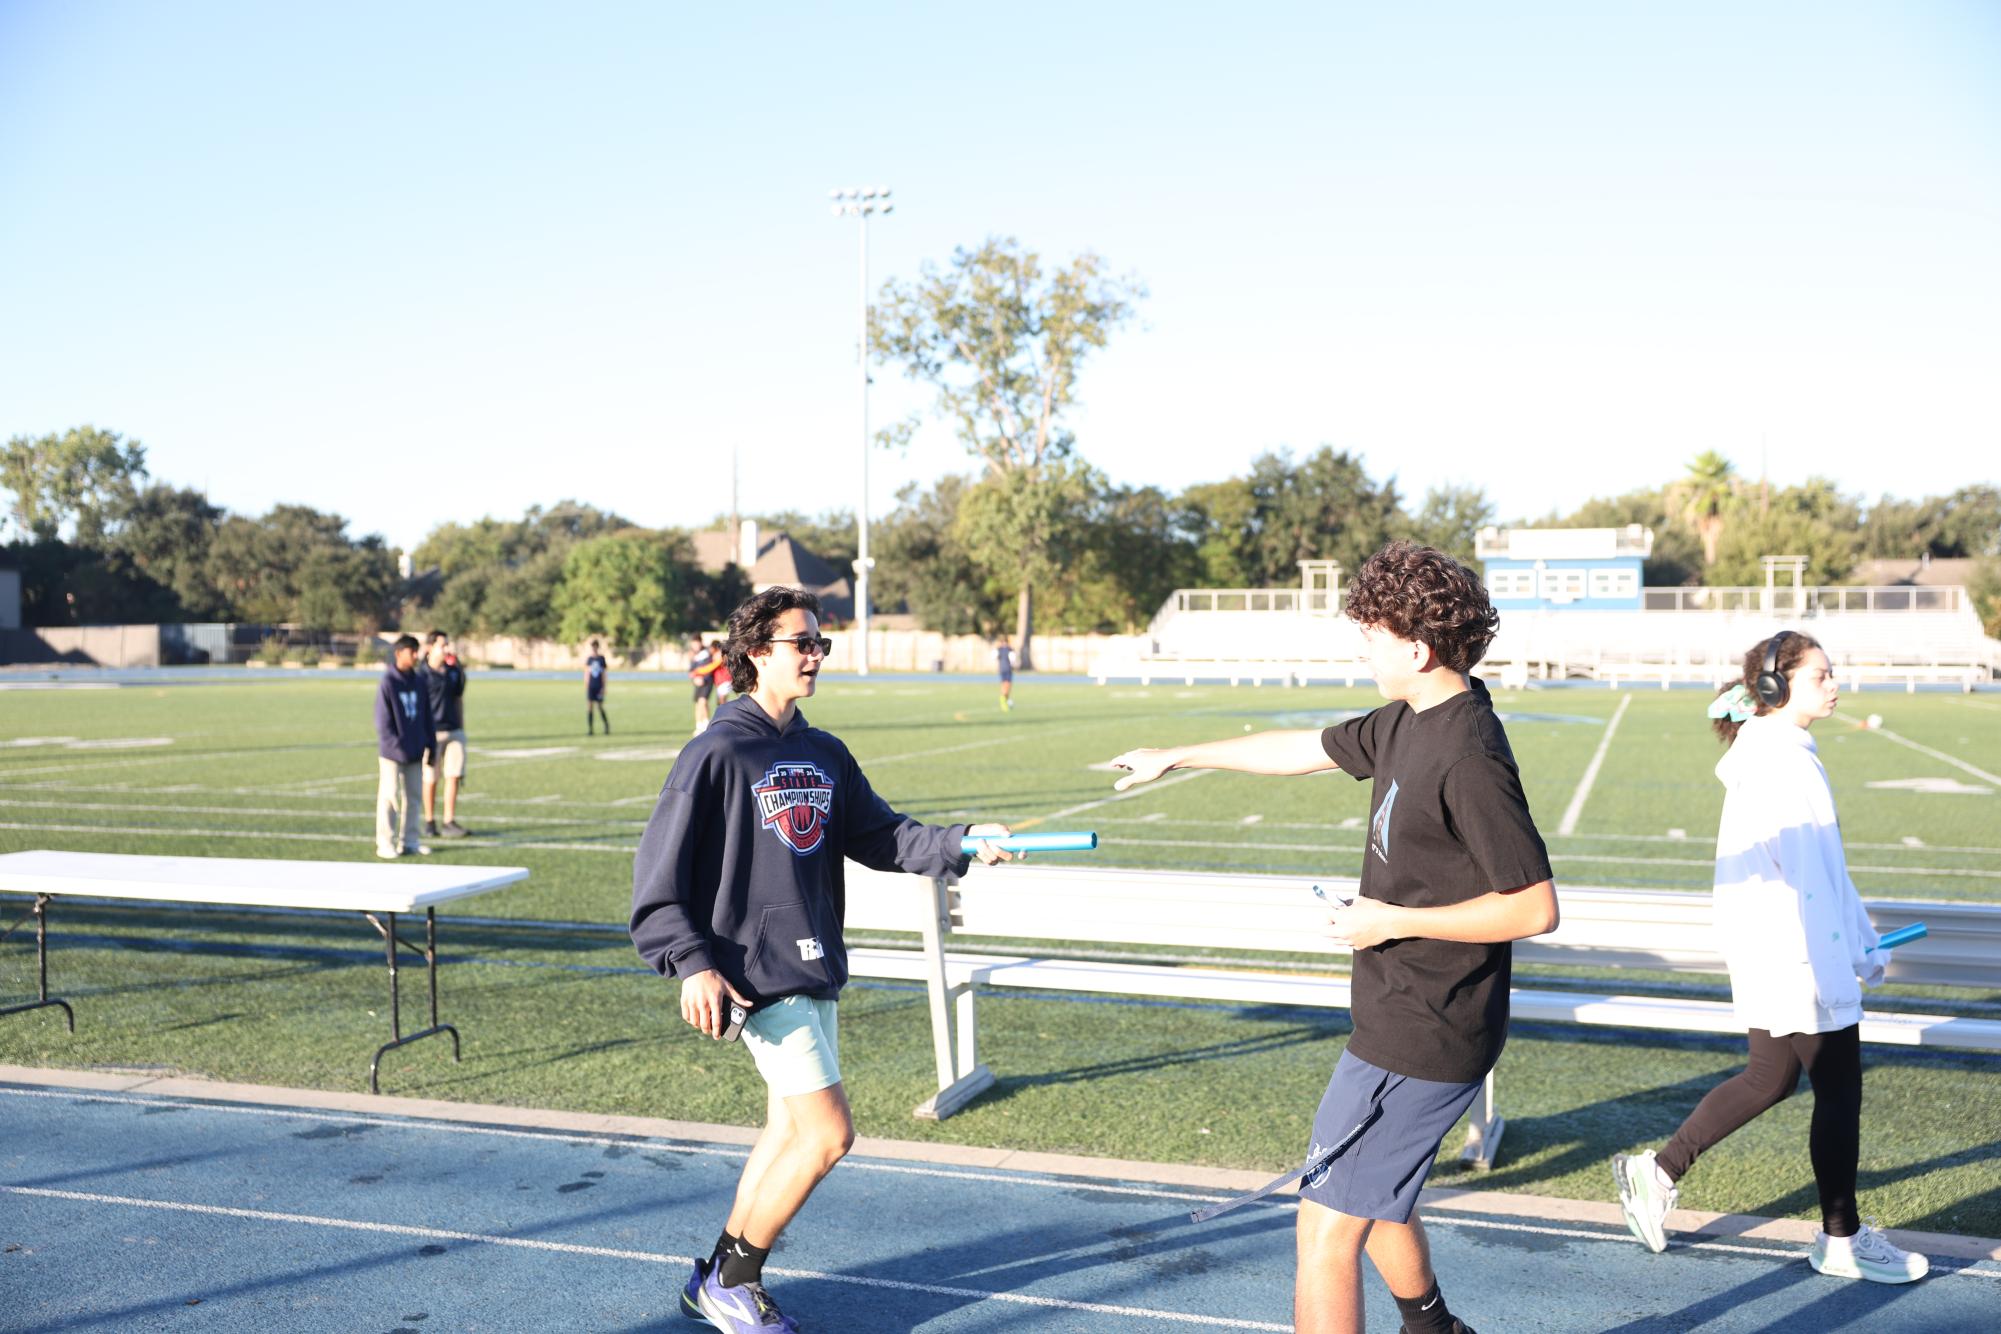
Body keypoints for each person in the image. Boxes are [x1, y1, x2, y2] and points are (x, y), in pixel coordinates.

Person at [1111, 541, 1557, 1334]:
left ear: (1415, 649)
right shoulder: (1404, 722)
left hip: (1429, 1028)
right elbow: (1299, 749)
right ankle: (1433, 1327)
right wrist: (1177, 756)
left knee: (1322, 1230)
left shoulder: (1467, 755)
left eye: (1371, 638)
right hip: (1392, 1010)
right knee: (1375, 1194)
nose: (1363, 652)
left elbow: (1532, 907)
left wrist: (1394, 920)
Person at [630, 586, 1013, 1334]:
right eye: (799, 643)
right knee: (828, 1135)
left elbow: (882, 837)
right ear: (752, 655)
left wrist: (961, 841)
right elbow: (657, 879)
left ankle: (714, 1277)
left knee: (786, 1132)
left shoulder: (823, 751)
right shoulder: (715, 750)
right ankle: (736, 1280)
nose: (813, 657)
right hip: (753, 971)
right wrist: (690, 963)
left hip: (813, 963)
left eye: (818, 644)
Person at [1614, 631, 1928, 1284]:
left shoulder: (1776, 752)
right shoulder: (1782, 761)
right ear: (1771, 687)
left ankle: (1657, 1171)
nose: (1834, 684)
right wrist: (1847, 961)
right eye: (1821, 675)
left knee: (1770, 1078)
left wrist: (1860, 940)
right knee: (1838, 1093)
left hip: (1781, 952)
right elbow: (1811, 885)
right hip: (1795, 958)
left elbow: (1822, 875)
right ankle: (1839, 1241)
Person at [373, 634, 434, 859]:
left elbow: (427, 717)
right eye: (412, 652)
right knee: (390, 796)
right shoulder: (388, 682)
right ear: (399, 653)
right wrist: (398, 747)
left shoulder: (419, 681)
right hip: (393, 753)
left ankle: (410, 841)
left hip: (416, 751)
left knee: (414, 797)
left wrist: (431, 745)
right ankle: (385, 842)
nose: (416, 656)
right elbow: (382, 722)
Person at [419, 630, 471, 839]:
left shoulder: (453, 671)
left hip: (454, 730)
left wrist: (462, 727)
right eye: (443, 645)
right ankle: (429, 821)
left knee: (453, 775)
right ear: (430, 647)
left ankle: (449, 820)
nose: (448, 649)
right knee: (431, 777)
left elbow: (459, 698)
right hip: (432, 733)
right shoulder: (421, 674)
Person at [689, 635, 719, 734]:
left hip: (707, 681)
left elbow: (710, 667)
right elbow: (691, 670)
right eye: (693, 643)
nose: (695, 645)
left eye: (697, 643)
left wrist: (703, 677)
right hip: (698, 682)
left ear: (701, 642)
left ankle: (706, 725)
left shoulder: (707, 652)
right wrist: (695, 678)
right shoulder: (693, 655)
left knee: (703, 701)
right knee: (698, 703)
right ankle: (699, 726)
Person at [585, 638, 611, 736]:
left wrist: (604, 687)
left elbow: (604, 673)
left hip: (599, 685)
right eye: (592, 646)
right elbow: (587, 672)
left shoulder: (601, 659)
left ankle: (606, 725)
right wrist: (586, 684)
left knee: (600, 707)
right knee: (590, 707)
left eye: (595, 646)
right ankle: (590, 729)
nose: (594, 648)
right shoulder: (589, 659)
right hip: (591, 686)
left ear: (597, 647)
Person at [996, 637, 1014, 712]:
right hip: (1008, 669)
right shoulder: (1010, 650)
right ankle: (1004, 702)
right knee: (1007, 686)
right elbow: (1013, 660)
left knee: (1004, 685)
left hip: (1001, 669)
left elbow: (994, 657)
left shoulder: (999, 650)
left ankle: (1005, 701)